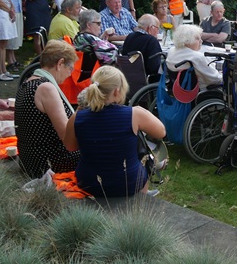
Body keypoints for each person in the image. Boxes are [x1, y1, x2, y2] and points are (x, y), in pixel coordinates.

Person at [64, 66, 166, 197]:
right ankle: (142, 198)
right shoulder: (135, 114)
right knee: (141, 155)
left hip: (88, 182)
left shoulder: (77, 116)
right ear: (117, 91)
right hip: (129, 183)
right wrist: (142, 111)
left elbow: (70, 146)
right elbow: (161, 132)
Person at [15, 40, 82, 178]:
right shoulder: (46, 88)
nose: (70, 74)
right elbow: (67, 138)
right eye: (70, 68)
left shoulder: (28, 82)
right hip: (49, 162)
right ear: (60, 64)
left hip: (30, 159)